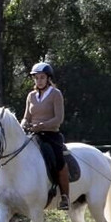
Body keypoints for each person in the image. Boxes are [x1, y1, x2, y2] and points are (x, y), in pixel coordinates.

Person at [19, 61, 70, 210]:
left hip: (51, 135)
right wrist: (23, 124)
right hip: (34, 135)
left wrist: (42, 125)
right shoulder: (31, 96)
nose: (39, 81)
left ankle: (65, 196)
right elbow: (26, 117)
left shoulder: (56, 94)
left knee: (58, 160)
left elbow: (58, 118)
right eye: (36, 78)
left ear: (48, 78)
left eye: (42, 77)